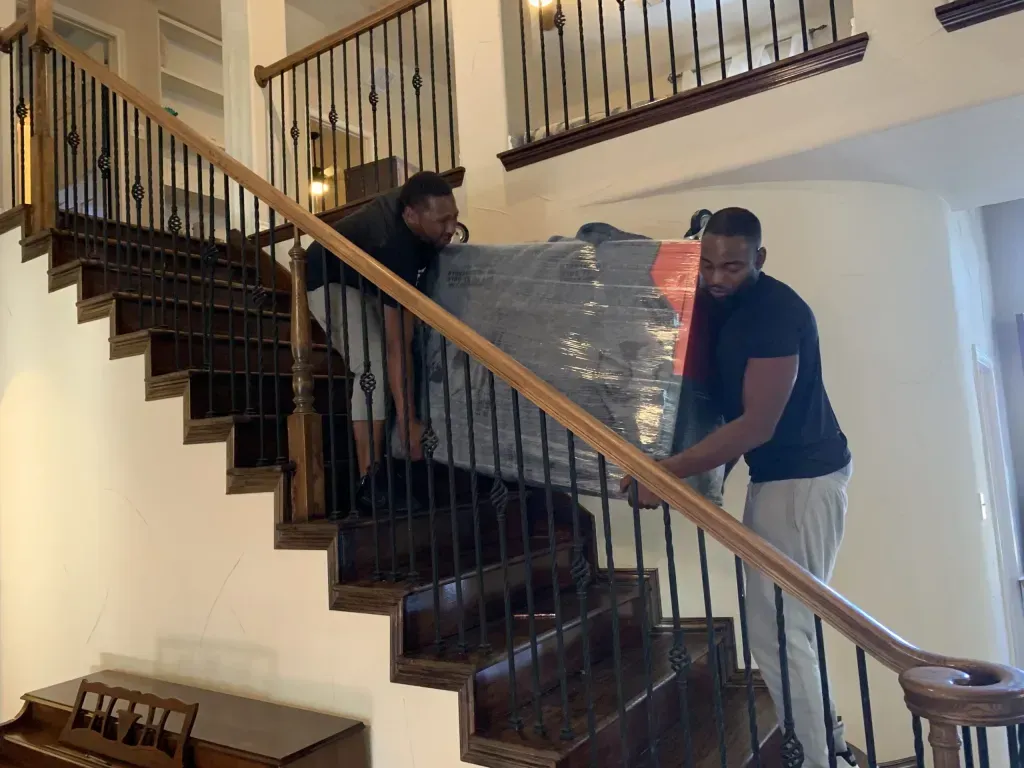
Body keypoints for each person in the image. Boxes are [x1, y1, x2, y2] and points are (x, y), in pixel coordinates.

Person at [621, 207, 855, 768]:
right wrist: (704, 481)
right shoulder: (722, 305)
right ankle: (834, 747)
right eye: (708, 265)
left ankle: (819, 760)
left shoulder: (776, 312)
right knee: (785, 629)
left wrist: (666, 472)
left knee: (777, 633)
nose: (717, 278)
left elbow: (756, 424)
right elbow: (724, 415)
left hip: (804, 482)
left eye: (732, 266)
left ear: (760, 259)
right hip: (777, 477)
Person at [306, 171, 459, 515]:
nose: (451, 229)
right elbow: (395, 344)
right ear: (411, 216)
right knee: (372, 363)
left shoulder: (417, 227)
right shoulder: (396, 245)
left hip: (366, 278)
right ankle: (369, 482)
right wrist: (408, 421)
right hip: (328, 277)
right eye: (442, 221)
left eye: (455, 218)